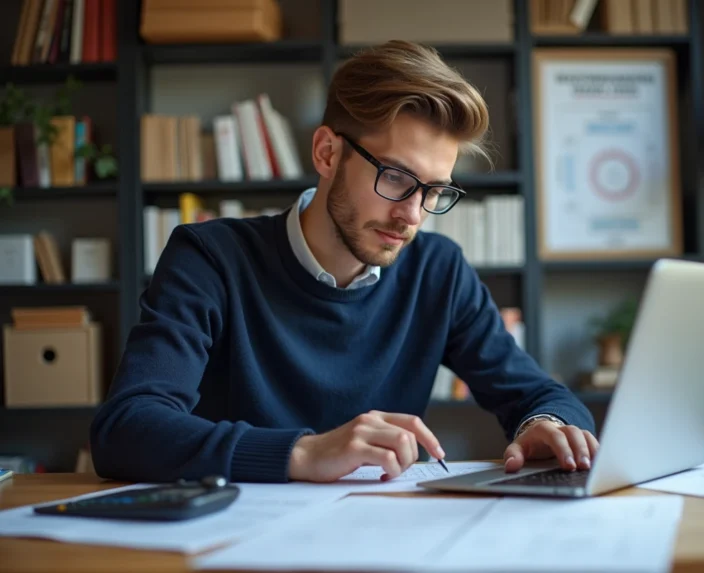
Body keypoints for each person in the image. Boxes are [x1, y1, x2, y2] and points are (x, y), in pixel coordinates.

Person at [89, 40, 599, 484]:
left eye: (434, 190)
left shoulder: (437, 269)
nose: (413, 215)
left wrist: (544, 427)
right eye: (396, 178)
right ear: (328, 153)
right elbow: (126, 428)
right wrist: (304, 452)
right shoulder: (210, 258)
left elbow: (540, 394)